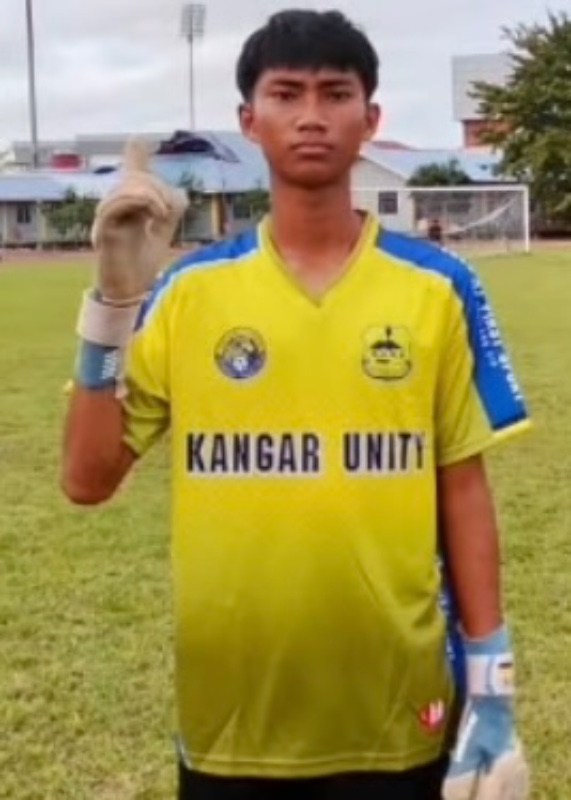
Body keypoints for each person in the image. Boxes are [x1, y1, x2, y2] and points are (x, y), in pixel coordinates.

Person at [61, 10, 532, 800]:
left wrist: (491, 682)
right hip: (231, 719)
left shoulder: (435, 287)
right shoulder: (189, 293)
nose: (311, 115)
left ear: (369, 118)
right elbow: (86, 478)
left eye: (334, 93)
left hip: (396, 709)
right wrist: (112, 308)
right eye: (286, 94)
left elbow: (461, 489)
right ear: (249, 120)